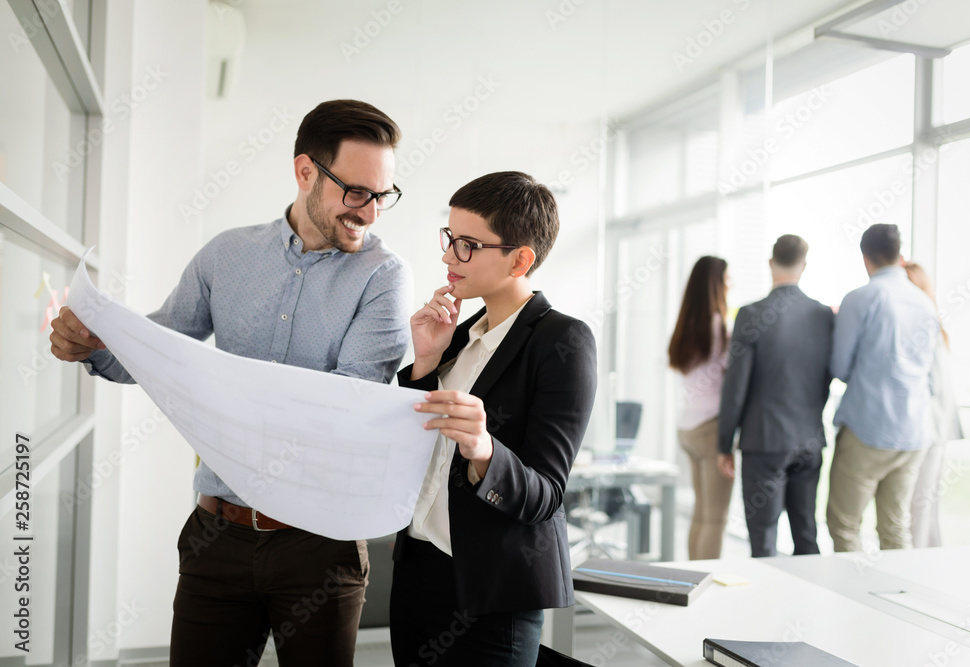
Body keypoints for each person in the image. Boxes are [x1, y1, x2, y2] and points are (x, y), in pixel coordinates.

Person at [48, 100, 411, 666]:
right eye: (356, 191)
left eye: (382, 195)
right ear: (306, 172)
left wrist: (216, 397)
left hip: (319, 543)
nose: (369, 212)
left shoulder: (384, 277)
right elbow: (155, 351)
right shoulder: (226, 254)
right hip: (216, 537)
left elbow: (348, 409)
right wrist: (94, 344)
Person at [389, 172, 598, 667]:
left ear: (520, 259)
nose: (447, 257)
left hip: (490, 594)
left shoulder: (563, 342)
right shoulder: (457, 337)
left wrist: (484, 448)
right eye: (449, 239)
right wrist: (423, 366)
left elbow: (545, 495)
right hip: (417, 571)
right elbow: (414, 449)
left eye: (467, 245)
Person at [717, 235, 834, 557]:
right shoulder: (824, 315)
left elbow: (735, 387)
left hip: (763, 441)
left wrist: (724, 443)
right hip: (809, 440)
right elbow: (827, 375)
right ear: (804, 266)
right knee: (806, 533)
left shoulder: (751, 314)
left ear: (771, 263)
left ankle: (767, 607)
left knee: (764, 538)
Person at [827, 223, 938, 553]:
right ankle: (895, 601)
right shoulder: (924, 302)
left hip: (868, 430)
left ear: (866, 258)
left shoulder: (861, 298)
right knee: (895, 527)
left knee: (845, 525)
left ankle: (851, 602)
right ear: (900, 256)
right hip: (914, 431)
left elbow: (839, 368)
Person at [667, 256, 732, 560]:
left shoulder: (687, 324)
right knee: (715, 518)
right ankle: (707, 581)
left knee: (701, 513)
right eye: (727, 279)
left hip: (688, 427)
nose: (731, 284)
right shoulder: (718, 326)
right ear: (715, 284)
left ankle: (692, 577)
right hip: (711, 428)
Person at [904, 261, 963, 548]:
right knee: (924, 508)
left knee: (919, 509)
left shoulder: (928, 329)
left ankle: (916, 568)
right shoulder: (935, 328)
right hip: (931, 431)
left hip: (928, 432)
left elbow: (937, 391)